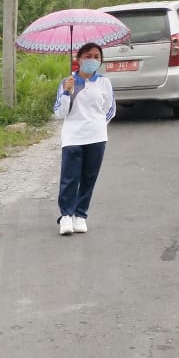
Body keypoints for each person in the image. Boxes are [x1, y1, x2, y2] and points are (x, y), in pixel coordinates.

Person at [54, 41, 115, 235]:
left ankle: (80, 215)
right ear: (79, 59)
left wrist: (97, 125)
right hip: (73, 137)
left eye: (97, 57)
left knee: (89, 177)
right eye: (88, 56)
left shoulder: (104, 82)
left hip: (96, 137)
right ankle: (66, 216)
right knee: (70, 178)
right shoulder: (69, 81)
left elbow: (109, 109)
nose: (92, 60)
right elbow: (60, 112)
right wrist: (66, 92)